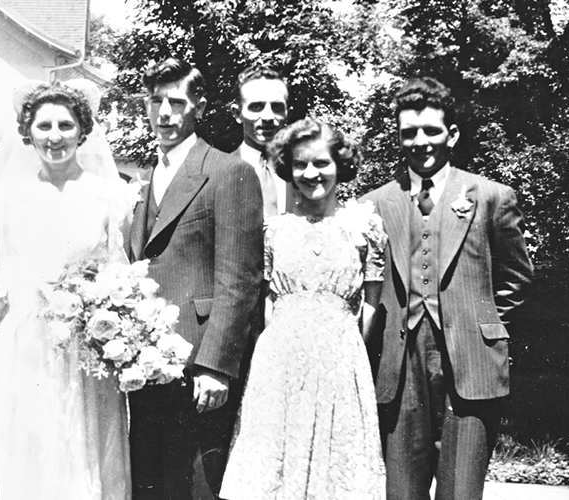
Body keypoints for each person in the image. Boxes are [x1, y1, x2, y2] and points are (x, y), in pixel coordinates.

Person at [361, 77, 532, 500]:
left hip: (470, 363)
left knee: (460, 491)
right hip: (399, 363)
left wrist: (482, 328)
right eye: (409, 132)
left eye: (430, 130)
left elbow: (516, 278)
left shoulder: (491, 197)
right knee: (402, 491)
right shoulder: (373, 205)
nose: (420, 141)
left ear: (451, 134)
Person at [0, 80, 131, 500]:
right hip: (23, 346)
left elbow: (119, 273)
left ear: (83, 131)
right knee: (26, 450)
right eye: (44, 126)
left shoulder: (106, 195)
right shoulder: (9, 198)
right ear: (27, 132)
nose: (55, 136)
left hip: (85, 348)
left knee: (81, 447)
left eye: (65, 125)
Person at [219, 118, 387, 499]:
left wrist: (344, 353)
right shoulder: (274, 231)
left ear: (339, 165)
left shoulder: (363, 228)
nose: (311, 173)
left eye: (321, 163)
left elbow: (372, 305)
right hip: (279, 367)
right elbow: (267, 302)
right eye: (301, 165)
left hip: (340, 366)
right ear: (288, 169)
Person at [126, 58, 264, 500]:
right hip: (146, 362)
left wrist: (216, 366)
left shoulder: (228, 171)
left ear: (199, 108)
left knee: (198, 485)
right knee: (150, 482)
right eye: (156, 101)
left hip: (199, 363)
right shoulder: (145, 179)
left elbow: (240, 279)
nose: (165, 113)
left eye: (177, 102)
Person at [230, 65, 296, 216]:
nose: (268, 117)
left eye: (277, 107)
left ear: (287, 113)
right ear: (237, 113)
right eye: (256, 107)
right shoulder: (218, 173)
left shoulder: (305, 171)